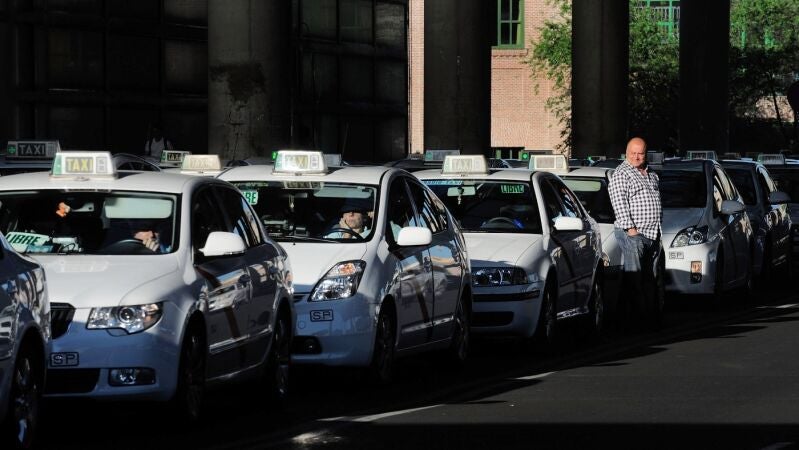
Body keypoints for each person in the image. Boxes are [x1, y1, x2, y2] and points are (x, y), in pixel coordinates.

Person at [608, 137, 662, 324]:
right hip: (634, 235)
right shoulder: (622, 174)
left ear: (645, 154)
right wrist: (631, 231)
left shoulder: (651, 173)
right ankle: (637, 322)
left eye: (641, 153)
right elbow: (619, 203)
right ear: (626, 153)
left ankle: (648, 317)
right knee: (635, 280)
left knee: (649, 279)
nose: (637, 157)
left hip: (653, 234)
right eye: (633, 153)